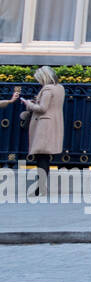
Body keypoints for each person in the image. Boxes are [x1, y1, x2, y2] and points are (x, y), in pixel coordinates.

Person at [8, 66, 64, 195]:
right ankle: (41, 187)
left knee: (41, 157)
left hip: (44, 125)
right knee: (43, 157)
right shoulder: (60, 88)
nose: (38, 81)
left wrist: (29, 104)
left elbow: (43, 108)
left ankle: (41, 188)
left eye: (38, 79)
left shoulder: (48, 89)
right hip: (53, 123)